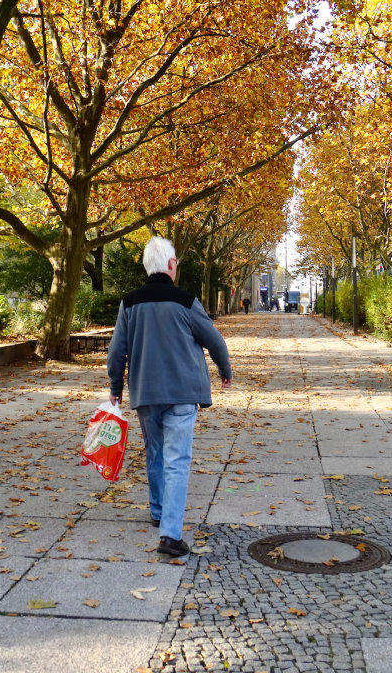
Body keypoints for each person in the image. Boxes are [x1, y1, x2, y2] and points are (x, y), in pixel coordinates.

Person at [107, 236, 232, 557]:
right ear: (171, 265)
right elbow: (214, 341)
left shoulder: (129, 304)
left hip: (146, 394)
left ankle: (159, 511)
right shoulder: (186, 301)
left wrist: (115, 389)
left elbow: (116, 352)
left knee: (154, 453)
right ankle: (170, 535)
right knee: (177, 461)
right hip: (182, 392)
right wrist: (224, 370)